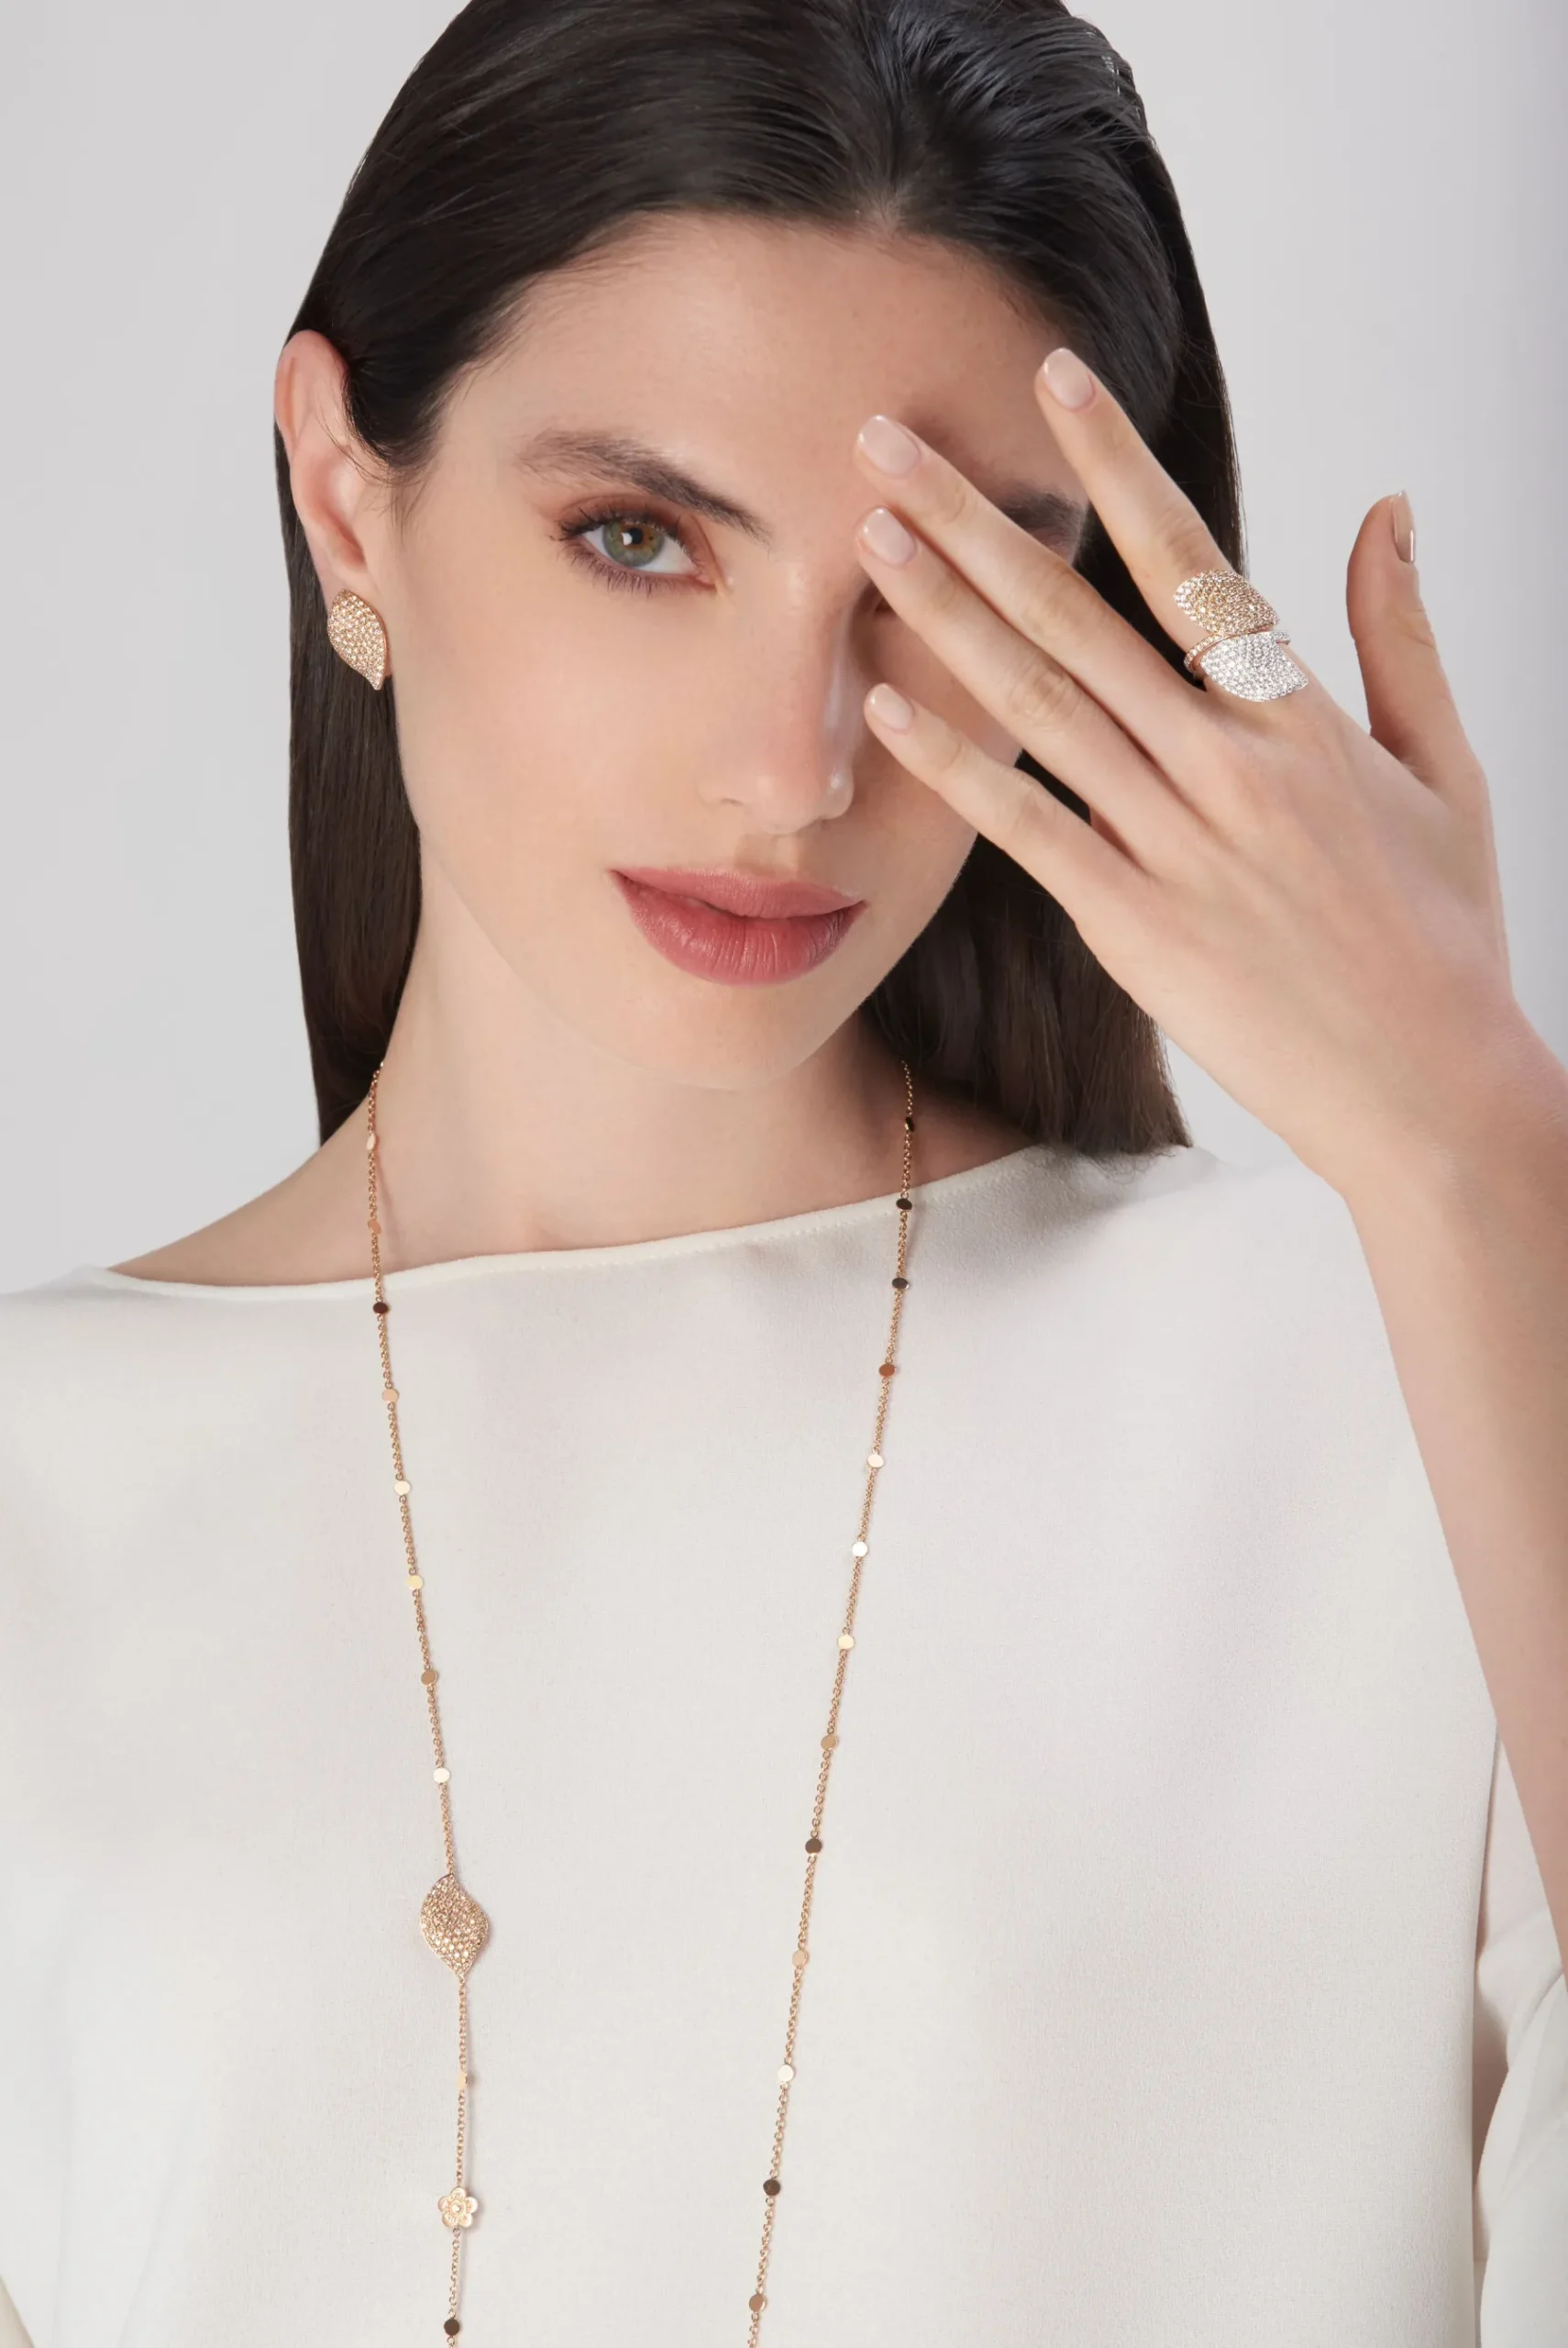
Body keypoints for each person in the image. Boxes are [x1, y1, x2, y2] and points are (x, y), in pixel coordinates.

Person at [2, 1, 1565, 2342]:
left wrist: (1479, 1140)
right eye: (639, 538)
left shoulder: (1399, 1375)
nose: (794, 761)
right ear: (346, 496)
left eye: (941, 586)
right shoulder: (41, 1486)